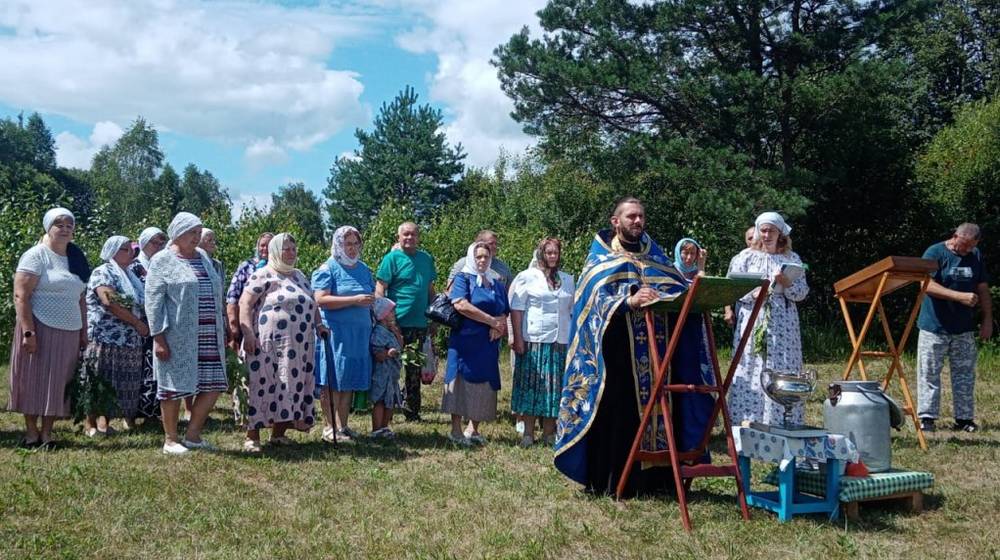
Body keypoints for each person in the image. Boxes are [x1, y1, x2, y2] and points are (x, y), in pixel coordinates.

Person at [554, 197, 713, 495]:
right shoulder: (600, 261)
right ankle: (613, 482)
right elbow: (590, 303)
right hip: (616, 357)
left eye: (641, 216)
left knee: (664, 411)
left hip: (659, 358)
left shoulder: (659, 259)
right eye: (631, 217)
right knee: (618, 413)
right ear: (616, 222)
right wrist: (628, 301)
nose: (637, 221)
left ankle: (659, 482)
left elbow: (677, 290)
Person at [145, 212, 228, 454]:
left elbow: (215, 292)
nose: (197, 237)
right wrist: (158, 338)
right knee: (172, 386)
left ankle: (193, 435)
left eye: (199, 232)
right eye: (192, 232)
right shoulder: (162, 261)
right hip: (177, 336)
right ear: (177, 233)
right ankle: (170, 439)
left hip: (209, 333)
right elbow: (153, 302)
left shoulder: (203, 257)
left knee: (213, 385)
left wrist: (222, 325)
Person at [8, 207, 89, 449]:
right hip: (39, 326)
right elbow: (21, 295)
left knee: (58, 381)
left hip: (70, 330)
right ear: (48, 228)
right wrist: (28, 332)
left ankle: (48, 433)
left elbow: (81, 298)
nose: (65, 228)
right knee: (33, 378)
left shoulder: (76, 258)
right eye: (59, 224)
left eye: (69, 225)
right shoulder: (36, 255)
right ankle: (31, 433)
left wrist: (84, 330)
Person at [238, 233, 326, 452]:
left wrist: (319, 324)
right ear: (275, 250)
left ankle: (279, 433)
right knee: (261, 384)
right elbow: (245, 303)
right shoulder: (263, 274)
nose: (291, 252)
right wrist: (247, 334)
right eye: (286, 249)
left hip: (298, 348)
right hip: (267, 344)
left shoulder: (299, 276)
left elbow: (312, 304)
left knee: (289, 385)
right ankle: (252, 436)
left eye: (293, 249)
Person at [727, 211, 809, 425]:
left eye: (771, 230)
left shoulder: (792, 259)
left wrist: (786, 282)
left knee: (781, 364)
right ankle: (747, 420)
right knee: (752, 363)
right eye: (763, 230)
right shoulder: (744, 257)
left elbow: (802, 292)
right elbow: (731, 288)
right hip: (754, 317)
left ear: (780, 233)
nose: (766, 235)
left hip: (784, 322)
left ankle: (781, 420)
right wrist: (753, 293)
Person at [916, 223, 992, 433]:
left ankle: (964, 419)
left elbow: (983, 289)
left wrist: (987, 320)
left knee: (965, 374)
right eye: (964, 246)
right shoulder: (935, 252)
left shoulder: (975, 255)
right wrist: (959, 296)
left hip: (963, 328)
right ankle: (927, 418)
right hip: (934, 326)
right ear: (955, 236)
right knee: (929, 373)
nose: (966, 250)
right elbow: (925, 284)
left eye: (971, 247)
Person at [509, 237, 574, 447]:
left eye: (555, 252)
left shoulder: (568, 279)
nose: (552, 256)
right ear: (541, 254)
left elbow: (572, 311)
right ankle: (528, 433)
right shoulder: (527, 277)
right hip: (533, 340)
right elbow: (516, 309)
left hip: (559, 340)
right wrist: (517, 337)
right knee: (531, 387)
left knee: (554, 389)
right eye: (549, 253)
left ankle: (549, 432)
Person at [442, 241, 509, 445]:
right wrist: (490, 321)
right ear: (472, 257)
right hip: (465, 341)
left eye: (486, 257)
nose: (482, 260)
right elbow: (461, 304)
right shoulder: (463, 278)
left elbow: (504, 309)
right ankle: (456, 430)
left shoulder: (495, 281)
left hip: (486, 344)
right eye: (478, 256)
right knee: (461, 383)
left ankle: (474, 429)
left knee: (482, 384)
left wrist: (499, 327)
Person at [313, 226, 375, 442]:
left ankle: (343, 425)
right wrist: (354, 300)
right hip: (335, 333)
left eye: (355, 243)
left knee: (347, 379)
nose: (352, 248)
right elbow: (319, 299)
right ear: (338, 244)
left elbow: (371, 293)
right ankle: (329, 427)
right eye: (347, 244)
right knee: (333, 378)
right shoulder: (328, 268)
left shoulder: (364, 268)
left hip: (358, 335)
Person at [84, 235, 150, 433]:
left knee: (117, 381)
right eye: (125, 249)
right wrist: (137, 323)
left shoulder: (131, 275)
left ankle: (106, 422)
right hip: (105, 336)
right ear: (112, 252)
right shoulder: (102, 272)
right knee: (99, 377)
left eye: (131, 248)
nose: (131, 252)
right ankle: (89, 424)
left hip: (128, 338)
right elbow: (109, 301)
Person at [375, 222, 436, 422]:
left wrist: (434, 317)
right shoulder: (391, 259)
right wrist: (384, 318)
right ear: (399, 237)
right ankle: (386, 411)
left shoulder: (426, 259)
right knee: (391, 367)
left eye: (413, 234)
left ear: (418, 237)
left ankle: (412, 411)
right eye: (405, 235)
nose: (409, 238)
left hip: (419, 324)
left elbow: (429, 289)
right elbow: (380, 288)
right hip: (396, 325)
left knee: (413, 369)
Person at [129, 226, 166, 420]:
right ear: (143, 243)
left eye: (162, 242)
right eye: (154, 242)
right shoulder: (134, 266)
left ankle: (155, 410)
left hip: (161, 323)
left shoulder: (163, 265)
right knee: (141, 367)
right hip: (141, 324)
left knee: (157, 367)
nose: (159, 246)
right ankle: (136, 411)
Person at [226, 232, 274, 349]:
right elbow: (233, 296)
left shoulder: (281, 268)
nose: (265, 248)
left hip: (272, 326)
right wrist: (234, 326)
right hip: (248, 324)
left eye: (269, 245)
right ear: (257, 247)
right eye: (262, 245)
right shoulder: (247, 266)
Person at [369, 297, 404, 439]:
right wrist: (388, 354)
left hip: (392, 374)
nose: (394, 314)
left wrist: (397, 333)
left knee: (390, 401)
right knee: (380, 401)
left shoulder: (391, 331)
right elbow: (378, 354)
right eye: (391, 312)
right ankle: (377, 428)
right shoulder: (378, 332)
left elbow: (400, 345)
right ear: (383, 315)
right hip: (382, 374)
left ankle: (385, 427)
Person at [446, 229, 514, 289]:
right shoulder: (463, 263)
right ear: (480, 244)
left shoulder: (502, 267)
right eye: (491, 243)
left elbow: (510, 291)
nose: (495, 246)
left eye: (496, 244)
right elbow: (450, 289)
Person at [724, 227, 756, 327]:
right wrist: (728, 310)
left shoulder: (771, 257)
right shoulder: (738, 259)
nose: (753, 241)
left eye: (755, 237)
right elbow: (728, 285)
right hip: (743, 311)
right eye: (750, 238)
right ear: (746, 241)